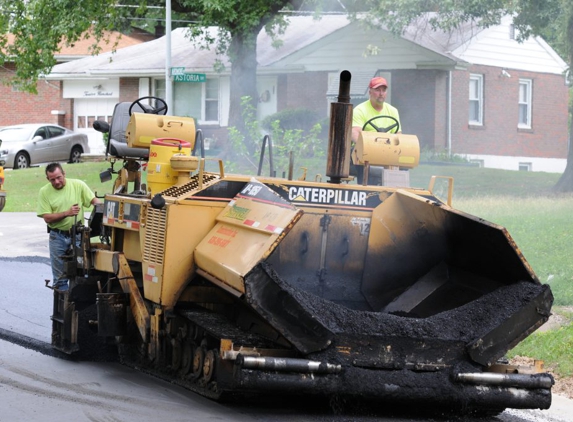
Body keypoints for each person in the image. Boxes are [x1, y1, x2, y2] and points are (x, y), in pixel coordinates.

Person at [37, 162, 101, 291]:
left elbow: (96, 202)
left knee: (82, 272)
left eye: (59, 177)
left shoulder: (78, 185)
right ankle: (62, 309)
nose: (56, 181)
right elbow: (47, 217)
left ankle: (78, 304)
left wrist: (101, 210)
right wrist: (67, 213)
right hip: (57, 237)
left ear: (64, 173)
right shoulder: (44, 192)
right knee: (60, 278)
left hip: (78, 236)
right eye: (52, 179)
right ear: (47, 179)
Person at [351, 76, 401, 144]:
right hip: (365, 150)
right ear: (370, 92)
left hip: (387, 150)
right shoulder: (360, 110)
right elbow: (355, 132)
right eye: (377, 90)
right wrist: (366, 148)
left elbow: (398, 136)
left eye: (384, 90)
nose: (381, 94)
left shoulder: (393, 111)